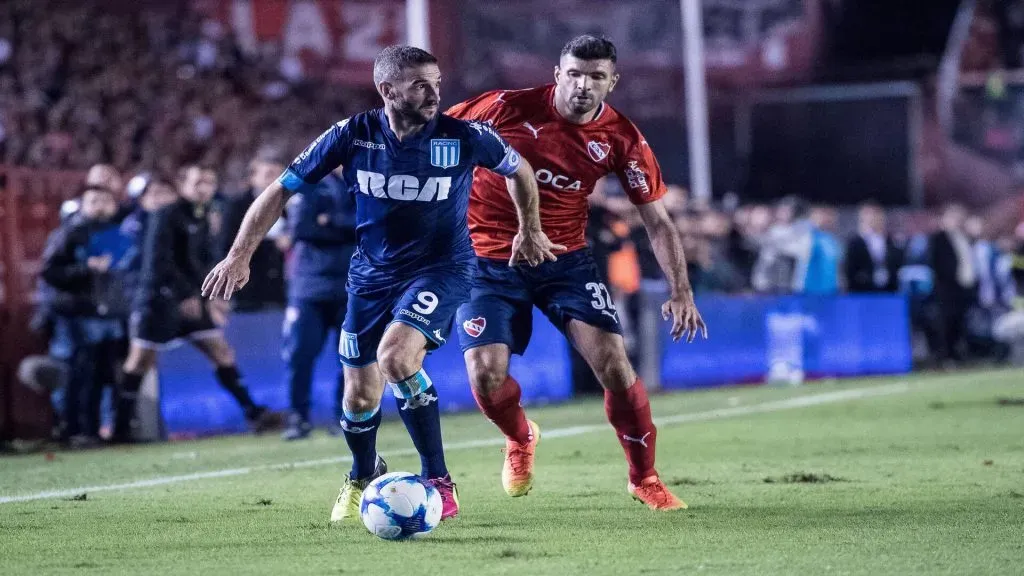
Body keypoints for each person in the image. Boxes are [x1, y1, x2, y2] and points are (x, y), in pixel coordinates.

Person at [202, 45, 559, 522]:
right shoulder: (353, 134)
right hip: (370, 277)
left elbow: (520, 170)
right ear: (387, 90)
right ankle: (362, 473)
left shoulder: (464, 135)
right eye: (419, 84)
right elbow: (280, 190)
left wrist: (529, 227)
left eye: (435, 81)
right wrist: (239, 255)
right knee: (360, 395)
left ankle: (438, 480)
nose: (434, 92)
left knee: (396, 358)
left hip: (443, 269)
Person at [446, 35, 706, 511]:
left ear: (612, 82)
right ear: (557, 73)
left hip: (564, 262)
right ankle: (520, 438)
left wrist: (681, 290)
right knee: (485, 374)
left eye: (596, 77)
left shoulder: (621, 138)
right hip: (485, 261)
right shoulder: (503, 107)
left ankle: (643, 477)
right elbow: (433, 137)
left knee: (613, 363)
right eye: (575, 74)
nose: (583, 85)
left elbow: (657, 220)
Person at [112, 167, 278, 442]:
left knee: (221, 351)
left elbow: (199, 261)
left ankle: (253, 413)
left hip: (191, 299)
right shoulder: (165, 215)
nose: (205, 187)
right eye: (198, 181)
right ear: (182, 185)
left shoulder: (201, 215)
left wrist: (209, 296)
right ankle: (119, 428)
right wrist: (183, 295)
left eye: (210, 181)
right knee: (140, 361)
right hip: (158, 301)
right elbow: (158, 261)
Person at [40, 186, 131, 447]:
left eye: (106, 200)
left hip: (111, 313)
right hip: (80, 314)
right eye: (94, 201)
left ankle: (98, 429)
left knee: (106, 374)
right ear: (82, 205)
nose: (101, 206)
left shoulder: (120, 232)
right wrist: (85, 269)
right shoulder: (71, 232)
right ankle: (76, 429)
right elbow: (49, 271)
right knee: (80, 373)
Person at [279, 166, 357, 440]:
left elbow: (372, 225)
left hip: (351, 285)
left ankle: (345, 415)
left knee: (351, 357)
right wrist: (347, 225)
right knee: (300, 355)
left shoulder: (363, 182)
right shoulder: (309, 185)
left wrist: (331, 220)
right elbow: (302, 228)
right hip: (309, 288)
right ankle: (297, 418)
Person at [845, 203, 902, 293]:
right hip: (862, 292)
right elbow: (850, 270)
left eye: (876, 214)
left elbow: (897, 265)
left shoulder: (890, 241)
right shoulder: (854, 242)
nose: (872, 218)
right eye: (868, 214)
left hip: (888, 292)